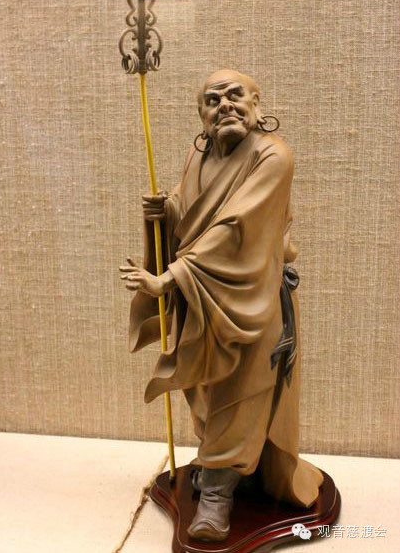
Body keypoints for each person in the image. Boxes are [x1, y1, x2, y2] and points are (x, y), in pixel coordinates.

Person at [119, 69, 323, 542]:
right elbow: (191, 210)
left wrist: (169, 277)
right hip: (203, 297)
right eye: (213, 100)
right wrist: (163, 212)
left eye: (235, 95)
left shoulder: (273, 156)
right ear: (202, 114)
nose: (225, 105)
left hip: (252, 297)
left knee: (240, 392)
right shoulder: (199, 153)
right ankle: (228, 471)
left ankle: (215, 495)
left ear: (256, 104)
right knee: (207, 394)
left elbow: (235, 226)